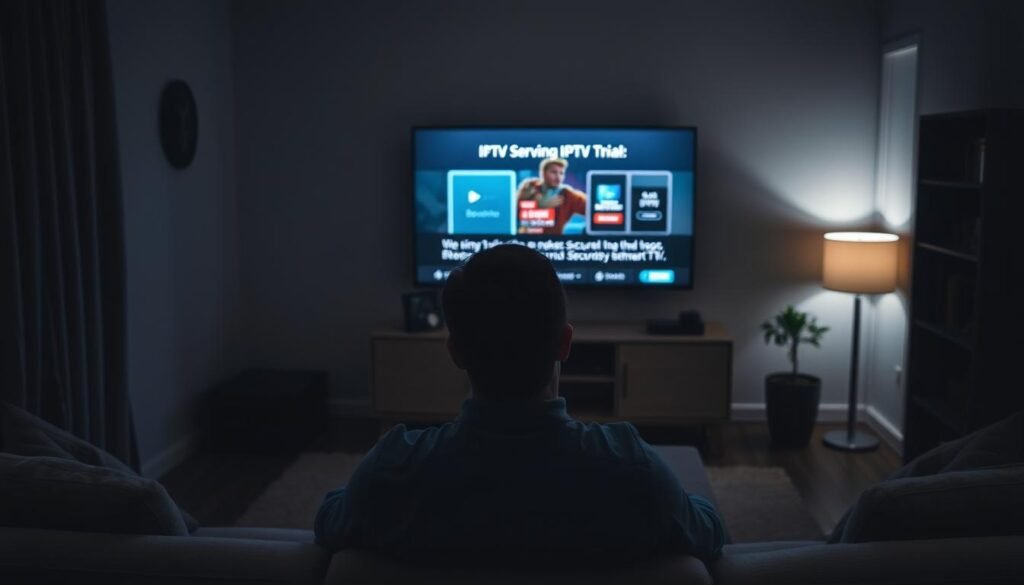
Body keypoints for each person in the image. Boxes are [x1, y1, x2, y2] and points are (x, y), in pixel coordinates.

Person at [314, 245, 725, 568]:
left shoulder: (391, 471)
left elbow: (329, 522)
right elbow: (709, 533)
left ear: (455, 351)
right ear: (565, 343)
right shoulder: (635, 472)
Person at [516, 158, 586, 235]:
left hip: (553, 243)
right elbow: (512, 213)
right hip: (525, 240)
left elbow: (590, 207)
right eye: (554, 172)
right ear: (543, 173)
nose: (558, 177)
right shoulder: (530, 186)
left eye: (561, 173)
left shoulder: (568, 194)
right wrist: (539, 206)